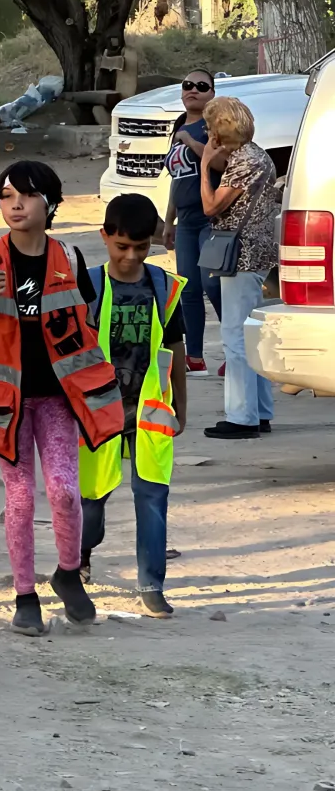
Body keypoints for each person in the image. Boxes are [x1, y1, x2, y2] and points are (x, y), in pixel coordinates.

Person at [0, 160, 118, 636]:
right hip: (6, 403)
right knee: (21, 498)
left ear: (50, 204)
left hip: (57, 399)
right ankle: (25, 596)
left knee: (66, 492)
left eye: (25, 196)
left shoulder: (69, 256)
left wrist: (99, 391)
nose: (15, 205)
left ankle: (68, 573)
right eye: (6, 196)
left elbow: (88, 327)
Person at [79, 193, 187, 619]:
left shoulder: (164, 287)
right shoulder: (87, 285)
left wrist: (180, 404)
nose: (130, 256)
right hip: (96, 409)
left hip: (151, 412)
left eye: (140, 248)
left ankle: (151, 584)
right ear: (105, 237)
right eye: (122, 246)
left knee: (153, 496)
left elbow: (175, 347)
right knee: (91, 500)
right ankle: (81, 554)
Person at [199, 96, 279, 440]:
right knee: (252, 335)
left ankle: (242, 416)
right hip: (258, 253)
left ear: (220, 130)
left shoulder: (243, 161)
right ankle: (259, 411)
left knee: (235, 335)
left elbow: (211, 206)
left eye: (209, 126)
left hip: (242, 255)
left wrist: (205, 166)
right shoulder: (258, 155)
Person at [161, 69, 222, 376]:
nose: (193, 90)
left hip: (210, 217)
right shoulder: (178, 126)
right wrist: (168, 221)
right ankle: (194, 356)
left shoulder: (212, 126)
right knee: (187, 288)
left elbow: (221, 163)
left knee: (213, 283)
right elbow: (177, 178)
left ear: (212, 93)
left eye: (201, 86)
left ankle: (237, 347)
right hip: (185, 221)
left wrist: (190, 141)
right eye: (187, 85)